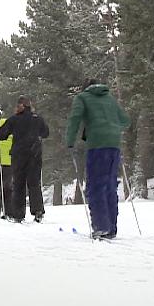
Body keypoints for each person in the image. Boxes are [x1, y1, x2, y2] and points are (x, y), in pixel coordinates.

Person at [65, 79, 130, 239]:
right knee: (109, 185)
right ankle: (111, 227)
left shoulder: (82, 97)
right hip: (114, 144)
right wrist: (112, 128)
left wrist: (70, 141)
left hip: (97, 145)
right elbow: (125, 121)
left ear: (85, 88)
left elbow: (75, 118)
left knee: (95, 185)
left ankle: (101, 227)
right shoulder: (110, 98)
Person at [0, 96, 49, 223]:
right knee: (34, 183)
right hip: (34, 154)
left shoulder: (14, 119)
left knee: (19, 184)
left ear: (21, 107)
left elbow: (2, 135)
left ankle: (18, 214)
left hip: (19, 154)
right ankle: (38, 211)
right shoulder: (37, 119)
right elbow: (46, 133)